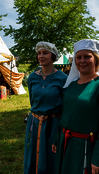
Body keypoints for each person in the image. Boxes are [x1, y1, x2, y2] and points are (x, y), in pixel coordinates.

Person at [52, 39, 99, 174]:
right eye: (79, 57)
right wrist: (58, 139)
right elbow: (64, 115)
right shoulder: (72, 85)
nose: (82, 60)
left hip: (86, 148)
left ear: (96, 60)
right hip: (66, 143)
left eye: (87, 56)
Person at [24, 42, 67, 174]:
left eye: (45, 53)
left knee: (50, 157)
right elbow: (33, 102)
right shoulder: (32, 77)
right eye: (39, 53)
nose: (41, 56)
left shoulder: (63, 78)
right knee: (32, 155)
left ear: (53, 55)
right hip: (34, 122)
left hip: (52, 124)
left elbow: (65, 106)